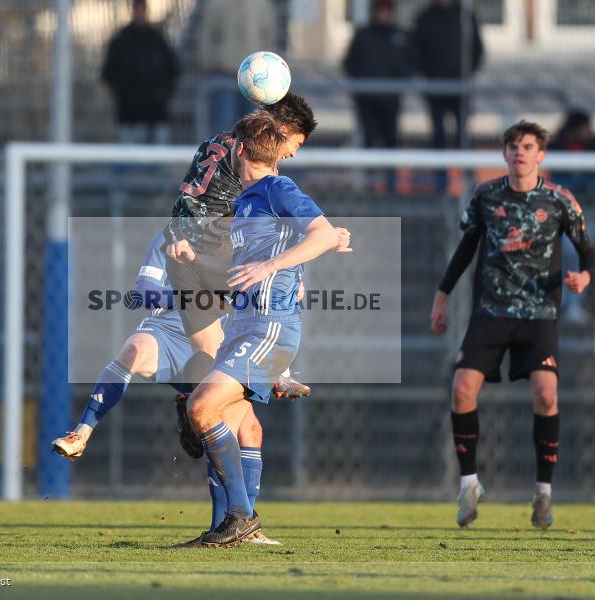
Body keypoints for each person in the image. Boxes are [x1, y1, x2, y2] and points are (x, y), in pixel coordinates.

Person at [173, 111, 352, 546]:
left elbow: (324, 234)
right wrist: (195, 259)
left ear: (238, 149)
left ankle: (240, 517)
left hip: (270, 328)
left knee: (200, 408)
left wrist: (273, 264)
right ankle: (233, 524)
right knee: (217, 416)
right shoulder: (248, 200)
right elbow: (236, 269)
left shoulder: (277, 188)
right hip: (244, 327)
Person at [51, 231, 291, 544]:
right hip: (168, 331)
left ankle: (236, 528)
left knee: (248, 431)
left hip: (217, 344)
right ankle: (81, 433)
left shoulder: (244, 241)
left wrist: (279, 369)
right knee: (133, 349)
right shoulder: (172, 237)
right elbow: (144, 292)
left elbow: (264, 306)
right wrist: (191, 297)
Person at [430, 120, 595, 529]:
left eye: (527, 146)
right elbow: (466, 247)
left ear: (540, 155)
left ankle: (543, 492)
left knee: (546, 395)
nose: (520, 153)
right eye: (513, 147)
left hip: (539, 314)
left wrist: (584, 276)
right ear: (504, 154)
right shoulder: (486, 196)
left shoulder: (559, 200)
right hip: (491, 311)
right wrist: (442, 295)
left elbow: (587, 251)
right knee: (462, 388)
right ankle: (469, 484)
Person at [164, 93, 316, 454]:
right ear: (279, 132)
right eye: (295, 143)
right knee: (282, 297)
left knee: (248, 427)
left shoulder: (219, 143)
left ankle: (194, 402)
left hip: (186, 255)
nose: (293, 153)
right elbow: (259, 231)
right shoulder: (258, 170)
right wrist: (285, 267)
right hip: (210, 259)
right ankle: (205, 405)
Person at [101, 0, 179, 144]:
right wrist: (123, 91)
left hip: (156, 112)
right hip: (129, 112)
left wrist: (162, 92)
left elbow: (172, 70)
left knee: (159, 155)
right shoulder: (121, 41)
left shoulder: (158, 40)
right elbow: (109, 72)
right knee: (129, 156)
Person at [342, 0, 414, 148]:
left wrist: (400, 82)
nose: (385, 14)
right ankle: (370, 170)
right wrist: (362, 83)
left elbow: (410, 63)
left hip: (391, 100)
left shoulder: (400, 35)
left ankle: (390, 171)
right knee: (368, 139)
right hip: (367, 100)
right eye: (382, 10)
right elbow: (349, 63)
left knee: (390, 139)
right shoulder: (363, 35)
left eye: (388, 10)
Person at [199, 0, 275, 135]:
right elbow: (208, 35)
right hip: (224, 74)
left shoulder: (261, 4)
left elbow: (268, 37)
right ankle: (222, 156)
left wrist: (266, 68)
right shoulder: (216, 4)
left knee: (254, 131)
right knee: (223, 129)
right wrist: (210, 62)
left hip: (254, 79)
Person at [414, 0, 484, 149]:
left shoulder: (465, 16)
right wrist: (426, 72)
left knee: (463, 135)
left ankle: (467, 170)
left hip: (460, 86)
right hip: (434, 86)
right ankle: (439, 172)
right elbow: (415, 50)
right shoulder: (425, 17)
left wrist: (467, 73)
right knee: (438, 134)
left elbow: (477, 49)